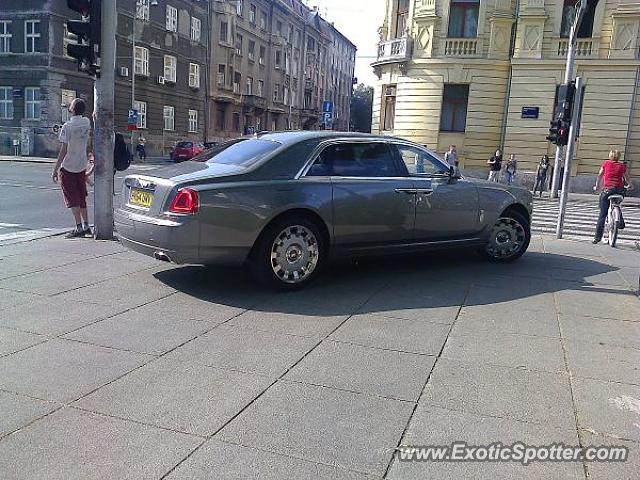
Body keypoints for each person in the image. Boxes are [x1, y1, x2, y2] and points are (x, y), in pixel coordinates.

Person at [52, 98, 92, 238]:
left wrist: (56, 169)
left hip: (68, 166)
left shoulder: (67, 126)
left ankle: (78, 227)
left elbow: (63, 150)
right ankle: (87, 225)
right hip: (81, 165)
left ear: (72, 109)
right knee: (81, 196)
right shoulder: (87, 122)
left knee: (72, 198)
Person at [592, 149, 634, 244]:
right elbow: (627, 177)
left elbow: (600, 175)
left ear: (610, 156)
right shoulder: (622, 166)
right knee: (617, 204)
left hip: (607, 190)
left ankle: (597, 238)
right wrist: (630, 185)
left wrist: (597, 186)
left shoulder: (606, 163)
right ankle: (621, 222)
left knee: (602, 214)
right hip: (620, 190)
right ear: (619, 157)